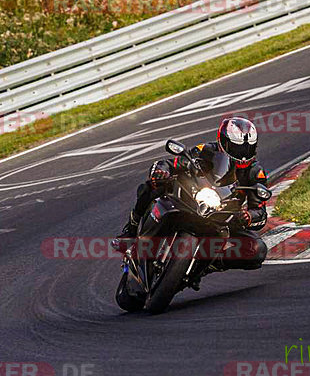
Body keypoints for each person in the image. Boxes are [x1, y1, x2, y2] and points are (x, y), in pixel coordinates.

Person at [112, 116, 268, 271]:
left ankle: (210, 264)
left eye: (247, 148)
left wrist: (249, 217)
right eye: (238, 148)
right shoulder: (206, 150)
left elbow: (260, 211)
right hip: (193, 197)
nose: (242, 154)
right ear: (223, 142)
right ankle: (131, 231)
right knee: (151, 186)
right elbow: (172, 163)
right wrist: (161, 171)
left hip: (226, 215)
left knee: (257, 250)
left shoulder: (256, 172)